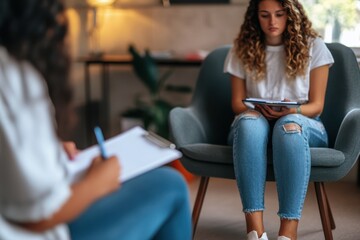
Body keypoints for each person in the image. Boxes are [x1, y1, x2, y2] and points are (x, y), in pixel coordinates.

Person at [0, 0, 191, 239]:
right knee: (170, 185)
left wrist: (48, 149)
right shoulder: (14, 77)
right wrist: (97, 183)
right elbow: (38, 215)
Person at [223, 0, 334, 240]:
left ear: (291, 15)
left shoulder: (315, 47)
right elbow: (237, 103)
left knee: (288, 128)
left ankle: (288, 232)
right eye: (264, 15)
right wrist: (260, 109)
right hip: (255, 119)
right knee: (249, 123)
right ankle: (255, 231)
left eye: (279, 14)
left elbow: (316, 106)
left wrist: (292, 112)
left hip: (302, 121)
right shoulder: (242, 49)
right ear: (255, 17)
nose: (272, 22)